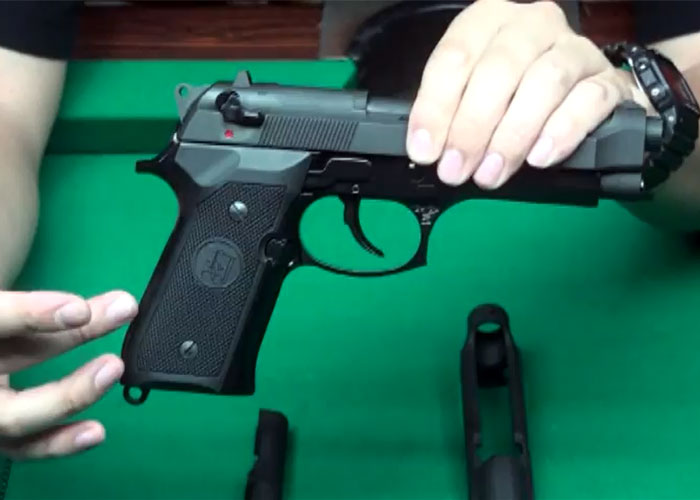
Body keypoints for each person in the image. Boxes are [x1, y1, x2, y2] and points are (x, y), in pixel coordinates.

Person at [0, 0, 698, 461]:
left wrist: (643, 97)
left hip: (270, 139)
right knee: (199, 317)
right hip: (258, 155)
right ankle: (180, 358)